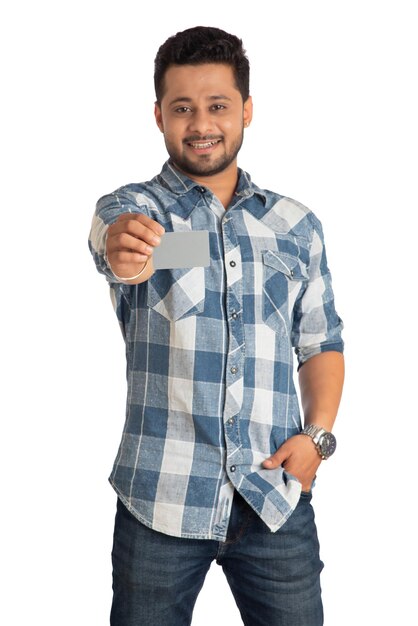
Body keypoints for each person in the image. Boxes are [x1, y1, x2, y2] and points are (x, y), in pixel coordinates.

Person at [89, 25, 344, 626]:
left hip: (274, 499)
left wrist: (319, 439)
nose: (201, 123)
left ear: (246, 110)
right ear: (159, 116)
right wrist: (124, 249)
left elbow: (321, 342)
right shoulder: (139, 211)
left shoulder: (294, 225)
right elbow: (122, 245)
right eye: (182, 108)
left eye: (217, 106)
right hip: (160, 500)